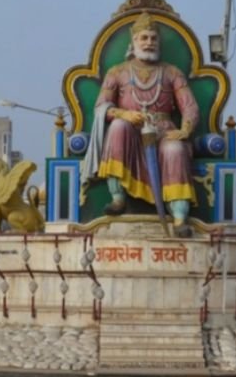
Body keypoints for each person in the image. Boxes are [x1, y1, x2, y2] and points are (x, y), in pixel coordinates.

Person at [83, 12, 200, 238]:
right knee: (118, 127)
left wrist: (185, 129)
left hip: (163, 133)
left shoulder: (172, 72)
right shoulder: (117, 72)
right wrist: (125, 114)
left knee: (175, 149)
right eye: (144, 38)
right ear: (134, 41)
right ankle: (117, 198)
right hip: (132, 136)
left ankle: (179, 217)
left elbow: (190, 106)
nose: (149, 43)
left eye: (153, 38)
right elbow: (101, 106)